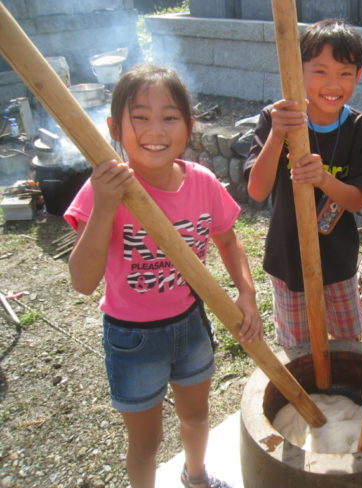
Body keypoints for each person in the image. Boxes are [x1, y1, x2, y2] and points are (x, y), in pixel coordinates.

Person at [65, 64, 262, 488]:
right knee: (146, 443)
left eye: (170, 116)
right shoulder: (102, 189)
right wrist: (104, 205)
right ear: (114, 126)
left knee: (196, 416)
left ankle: (196, 476)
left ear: (189, 127)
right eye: (140, 117)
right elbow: (82, 281)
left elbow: (229, 242)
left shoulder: (203, 182)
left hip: (190, 324)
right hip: (131, 338)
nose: (156, 129)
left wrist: (246, 293)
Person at [245, 18, 362, 348]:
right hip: (287, 256)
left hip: (338, 259)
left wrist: (323, 179)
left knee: (347, 339)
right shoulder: (275, 119)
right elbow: (257, 190)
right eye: (320, 71)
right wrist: (278, 135)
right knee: (297, 346)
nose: (333, 84)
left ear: (358, 76)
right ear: (297, 71)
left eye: (345, 73)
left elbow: (355, 201)